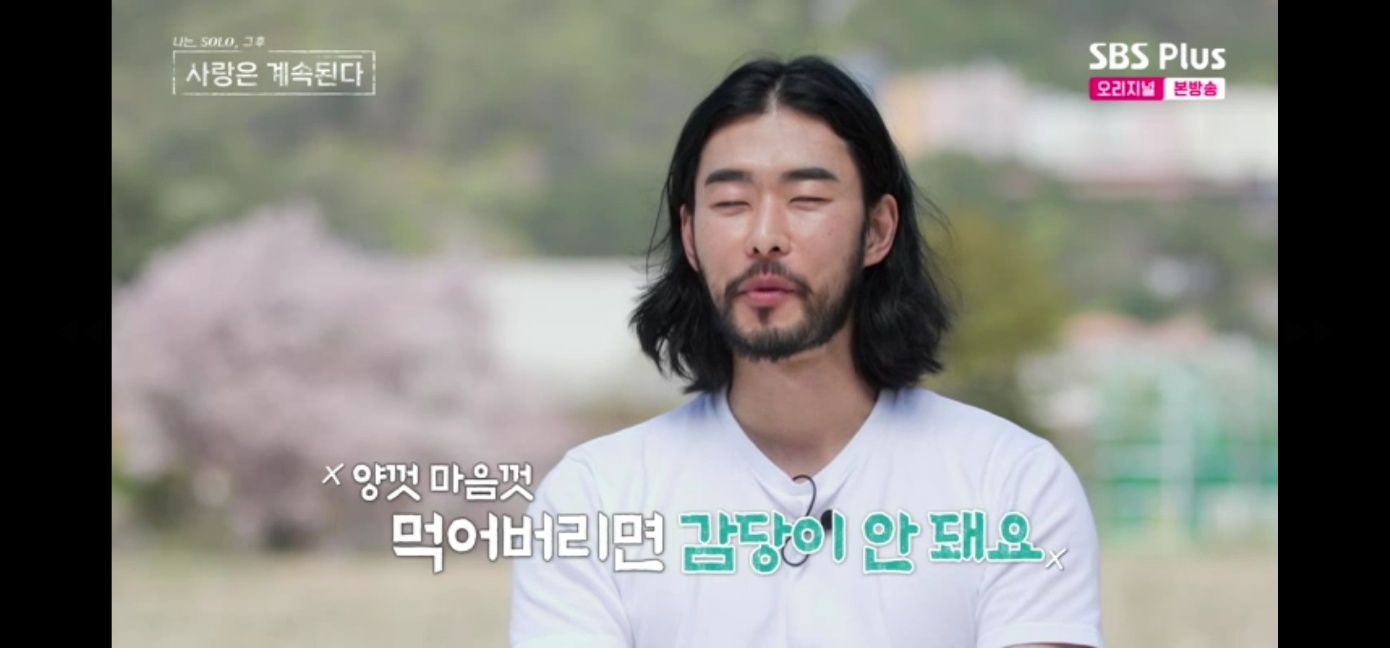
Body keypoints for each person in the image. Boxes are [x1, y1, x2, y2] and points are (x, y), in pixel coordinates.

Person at [508, 54, 1102, 648]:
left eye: (807, 198)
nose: (765, 237)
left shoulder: (1011, 485)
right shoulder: (596, 499)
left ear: (878, 230)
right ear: (689, 236)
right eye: (731, 203)